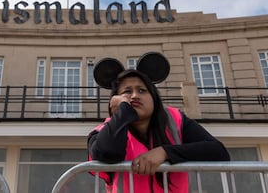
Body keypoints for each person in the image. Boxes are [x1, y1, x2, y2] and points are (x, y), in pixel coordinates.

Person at [88, 69, 230, 193]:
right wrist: (123, 109)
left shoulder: (175, 120)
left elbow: (219, 152)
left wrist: (165, 152)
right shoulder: (103, 131)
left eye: (142, 90)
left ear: (154, 97)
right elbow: (107, 154)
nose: (135, 95)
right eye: (127, 92)